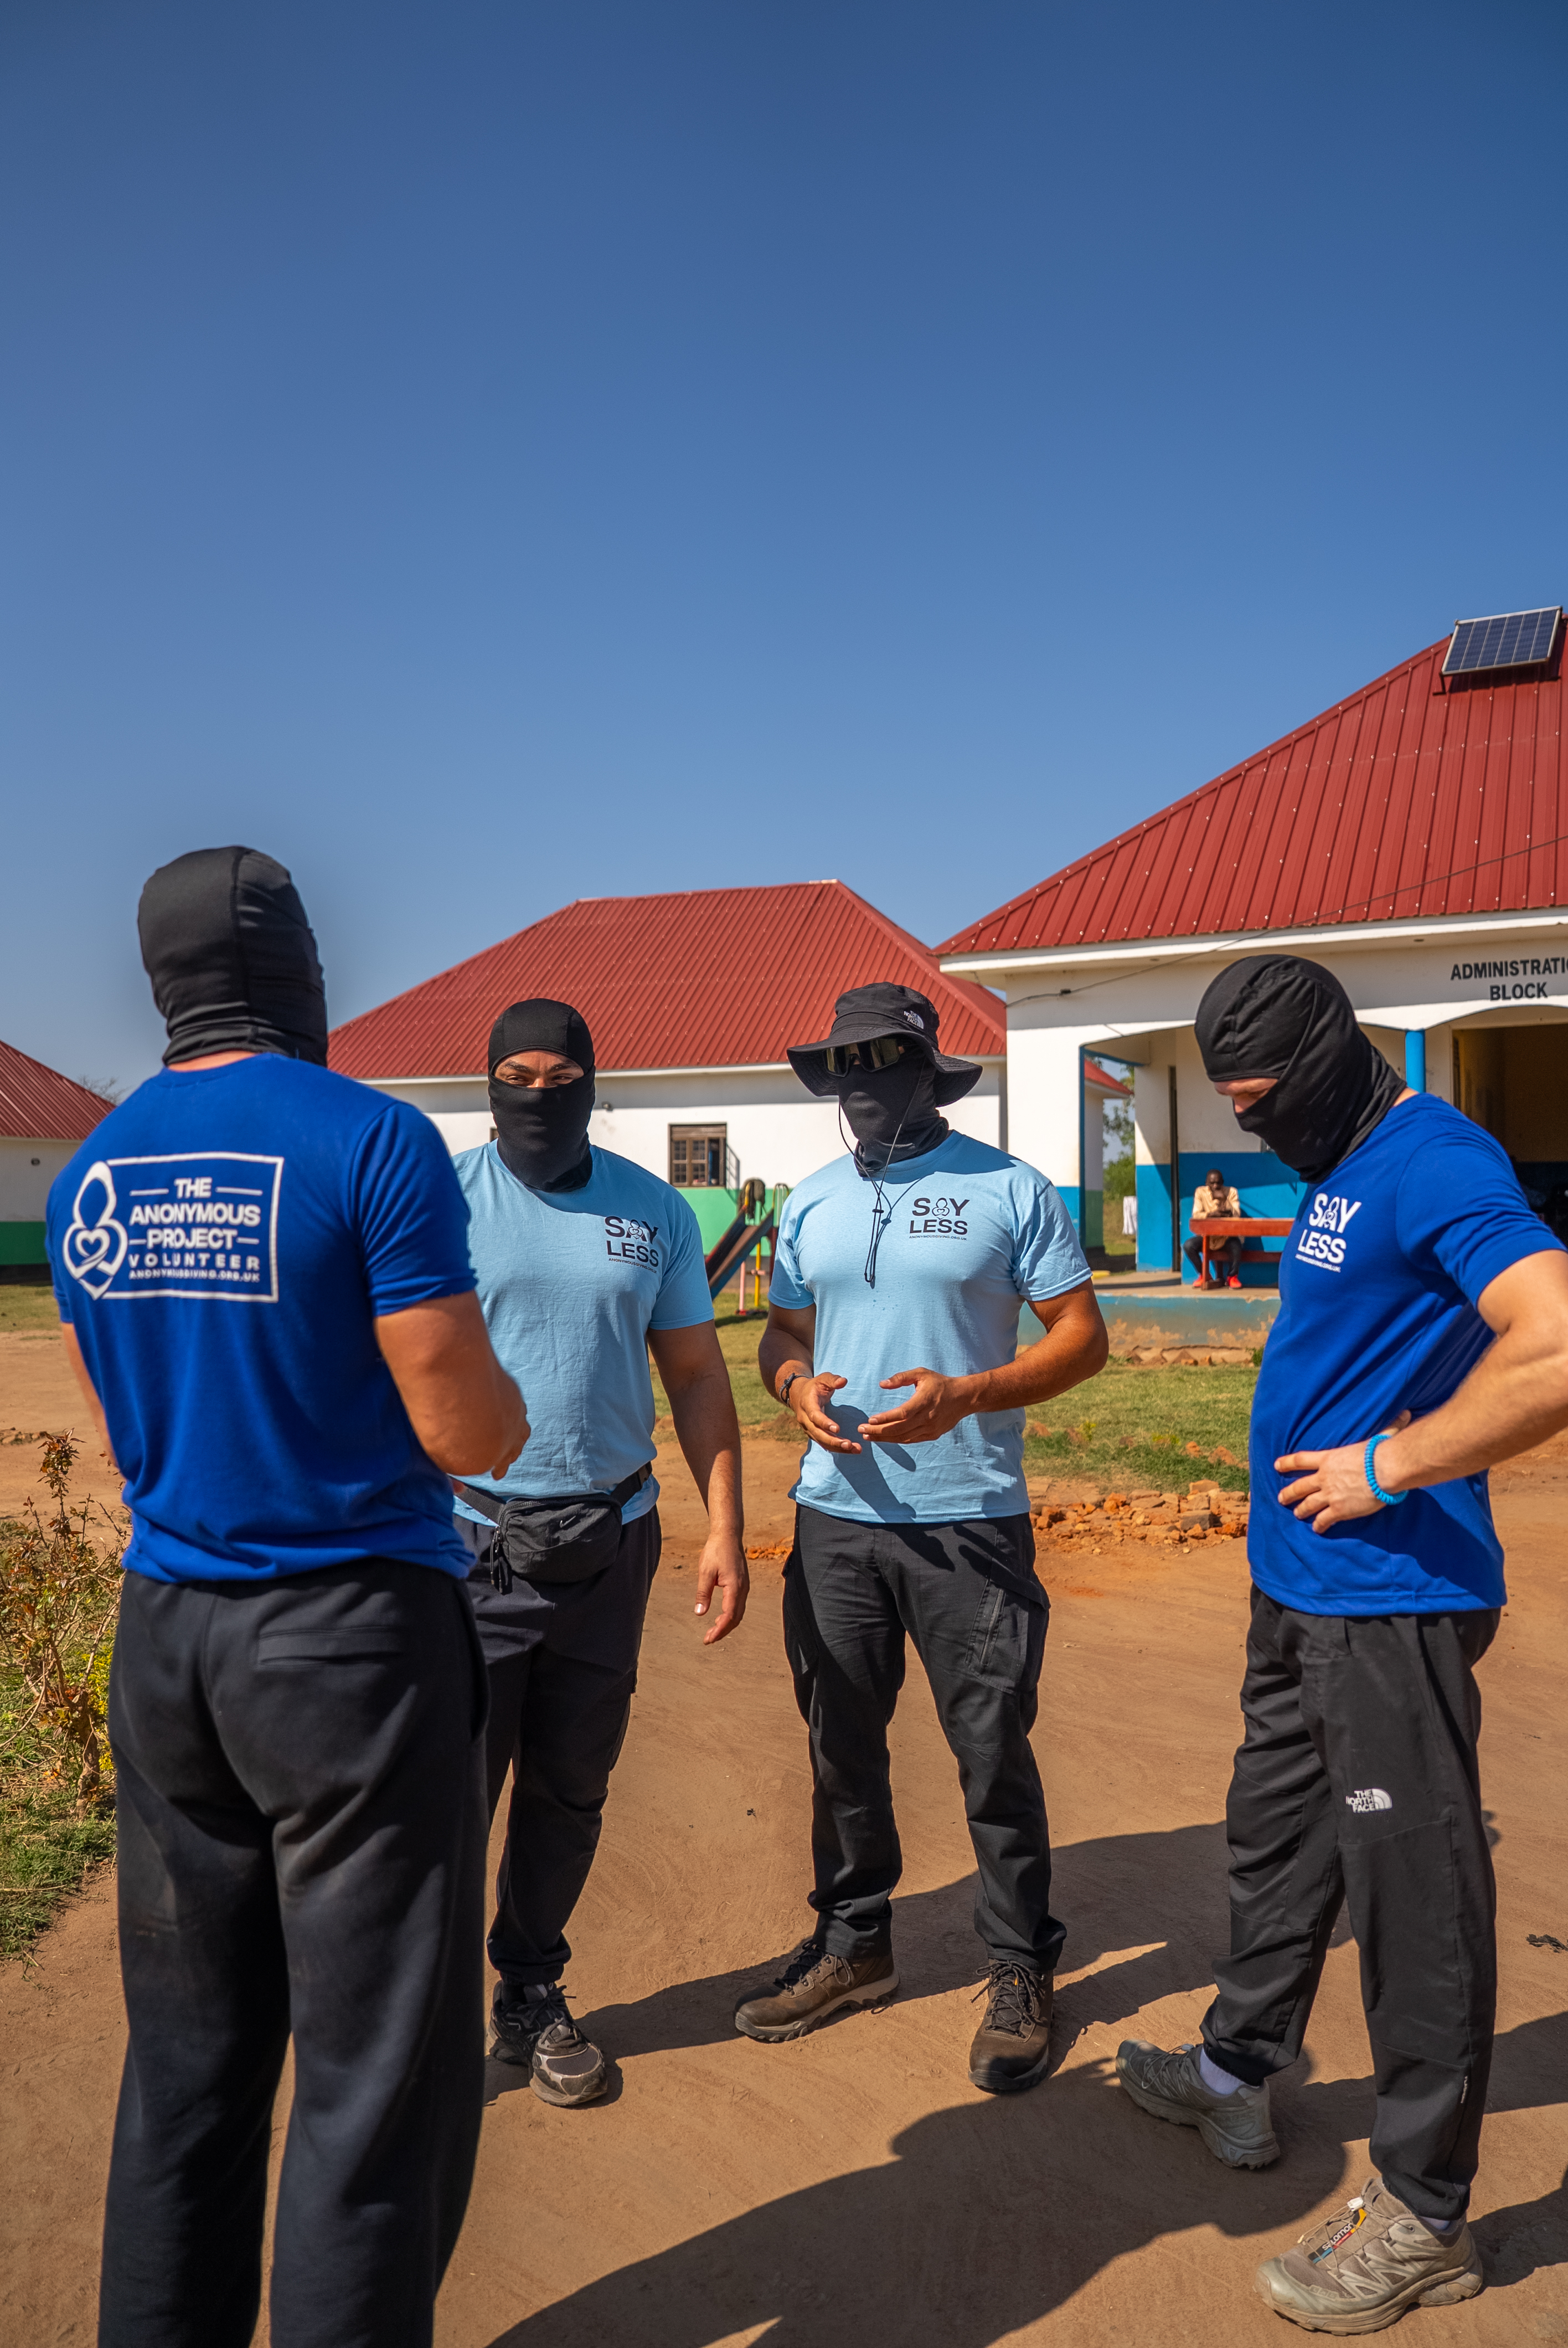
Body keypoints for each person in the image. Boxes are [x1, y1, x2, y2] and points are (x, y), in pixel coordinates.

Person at [49, 847, 527, 2348]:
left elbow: (126, 1432)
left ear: (164, 985)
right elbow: (465, 1430)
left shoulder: (91, 1170)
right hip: (349, 1648)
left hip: (170, 1636)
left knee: (185, 2064)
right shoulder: (370, 1144)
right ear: (300, 972)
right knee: (371, 2077)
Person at [1116, 954, 1568, 2334]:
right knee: (1274, 1834)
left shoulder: (1431, 1155)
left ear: (1331, 1062)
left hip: (1389, 1598)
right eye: (1237, 1111)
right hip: (1301, 1586)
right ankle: (1237, 2065)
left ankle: (1426, 2210)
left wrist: (1391, 1461)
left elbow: (1552, 1339)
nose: (1259, 1127)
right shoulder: (1345, 1152)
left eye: (1269, 1101)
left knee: (1412, 1893)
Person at [734, 982, 1107, 2092]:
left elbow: (1083, 1337)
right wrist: (793, 1381)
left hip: (969, 1519)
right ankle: (856, 1946)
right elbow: (784, 1333)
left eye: (886, 1061)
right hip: (834, 1518)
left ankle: (1018, 1963)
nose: (864, 1086)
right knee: (838, 1744)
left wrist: (971, 1392)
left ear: (928, 1066)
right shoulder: (807, 1203)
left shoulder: (1009, 1186)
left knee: (991, 1749)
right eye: (847, 1066)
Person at [451, 997, 748, 2107]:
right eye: (516, 1072)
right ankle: (424, 2023)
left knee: (571, 1787)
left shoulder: (652, 1208)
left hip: (614, 1537)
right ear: (490, 1083)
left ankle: (530, 1985)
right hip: (470, 1542)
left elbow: (699, 1376)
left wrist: (724, 1523)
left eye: (560, 1070)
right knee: (450, 1792)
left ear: (590, 1078)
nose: (539, 1090)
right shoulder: (441, 1200)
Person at [1185, 1165, 1243, 1287]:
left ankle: (1232, 1277)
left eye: (1218, 1183)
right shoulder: (1200, 1192)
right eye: (1212, 1183)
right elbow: (1196, 1215)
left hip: (1225, 1236)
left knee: (1237, 1245)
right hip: (1208, 1236)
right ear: (1207, 1183)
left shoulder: (1231, 1192)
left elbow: (1237, 1215)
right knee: (1188, 1246)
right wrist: (1212, 1214)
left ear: (1223, 1182)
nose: (1215, 1186)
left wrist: (1225, 1201)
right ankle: (1204, 1275)